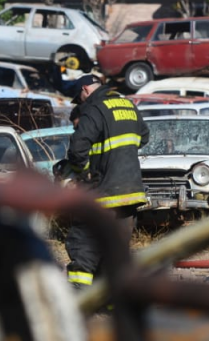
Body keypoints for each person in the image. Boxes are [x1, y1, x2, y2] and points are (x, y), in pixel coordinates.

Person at [63, 74, 149, 290]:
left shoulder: (95, 108)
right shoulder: (127, 105)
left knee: (84, 242)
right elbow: (144, 137)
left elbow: (77, 149)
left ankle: (79, 296)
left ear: (85, 90)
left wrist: (83, 175)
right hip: (131, 191)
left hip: (104, 191)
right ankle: (111, 302)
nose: (81, 103)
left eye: (80, 97)